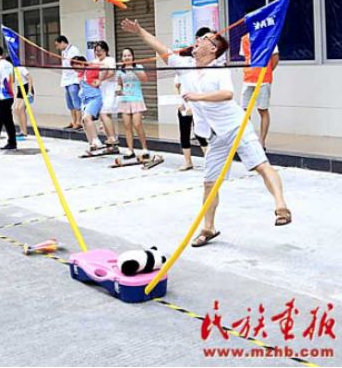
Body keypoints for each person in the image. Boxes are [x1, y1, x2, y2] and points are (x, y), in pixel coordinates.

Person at [121, 18, 292, 248]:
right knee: (209, 183)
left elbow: (227, 94)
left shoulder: (219, 70)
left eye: (204, 39)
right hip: (215, 136)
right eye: (199, 38)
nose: (198, 40)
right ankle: (208, 227)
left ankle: (281, 206)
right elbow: (160, 47)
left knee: (261, 166)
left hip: (236, 126)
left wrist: (197, 97)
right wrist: (139, 30)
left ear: (213, 49)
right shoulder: (184, 65)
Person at [240, 31, 279, 149]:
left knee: (262, 109)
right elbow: (246, 57)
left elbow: (275, 58)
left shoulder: (269, 35)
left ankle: (261, 140)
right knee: (244, 111)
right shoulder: (244, 38)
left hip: (263, 79)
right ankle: (249, 138)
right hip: (248, 78)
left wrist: (267, 71)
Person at [117, 47, 150, 159]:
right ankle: (130, 150)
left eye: (129, 55)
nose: (127, 57)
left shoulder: (138, 67)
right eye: (124, 56)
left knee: (137, 124)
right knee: (127, 125)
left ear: (133, 56)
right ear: (122, 58)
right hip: (125, 100)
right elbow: (119, 84)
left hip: (136, 99)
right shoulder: (120, 70)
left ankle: (144, 149)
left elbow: (144, 79)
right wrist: (118, 90)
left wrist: (134, 69)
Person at [175, 74, 208, 171]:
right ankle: (188, 162)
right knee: (184, 134)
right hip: (184, 107)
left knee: (200, 134)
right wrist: (179, 102)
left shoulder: (199, 73)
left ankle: (210, 162)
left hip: (198, 105)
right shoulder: (180, 72)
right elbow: (177, 87)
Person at [73, 55, 103, 156]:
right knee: (84, 121)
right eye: (73, 66)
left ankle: (96, 140)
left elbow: (102, 67)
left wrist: (99, 80)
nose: (75, 68)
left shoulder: (90, 69)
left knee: (87, 118)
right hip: (85, 100)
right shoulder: (80, 75)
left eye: (77, 65)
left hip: (94, 97)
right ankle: (92, 145)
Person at [94, 41, 120, 153]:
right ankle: (110, 143)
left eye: (101, 50)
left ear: (106, 51)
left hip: (110, 89)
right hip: (100, 90)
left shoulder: (110, 60)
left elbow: (111, 73)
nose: (98, 52)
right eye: (96, 50)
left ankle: (112, 139)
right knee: (102, 116)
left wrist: (101, 80)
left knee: (105, 113)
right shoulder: (94, 62)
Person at [54, 35, 82, 130]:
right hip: (66, 79)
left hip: (73, 79)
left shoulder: (74, 50)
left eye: (58, 45)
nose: (57, 48)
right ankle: (73, 121)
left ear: (63, 42)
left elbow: (75, 63)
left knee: (76, 100)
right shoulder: (63, 52)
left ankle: (78, 121)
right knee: (69, 102)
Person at [13, 65, 34, 140]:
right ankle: (21, 130)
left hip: (26, 88)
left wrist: (29, 92)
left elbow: (30, 78)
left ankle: (24, 132)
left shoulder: (21, 68)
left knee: (21, 109)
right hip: (20, 89)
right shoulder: (10, 71)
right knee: (16, 109)